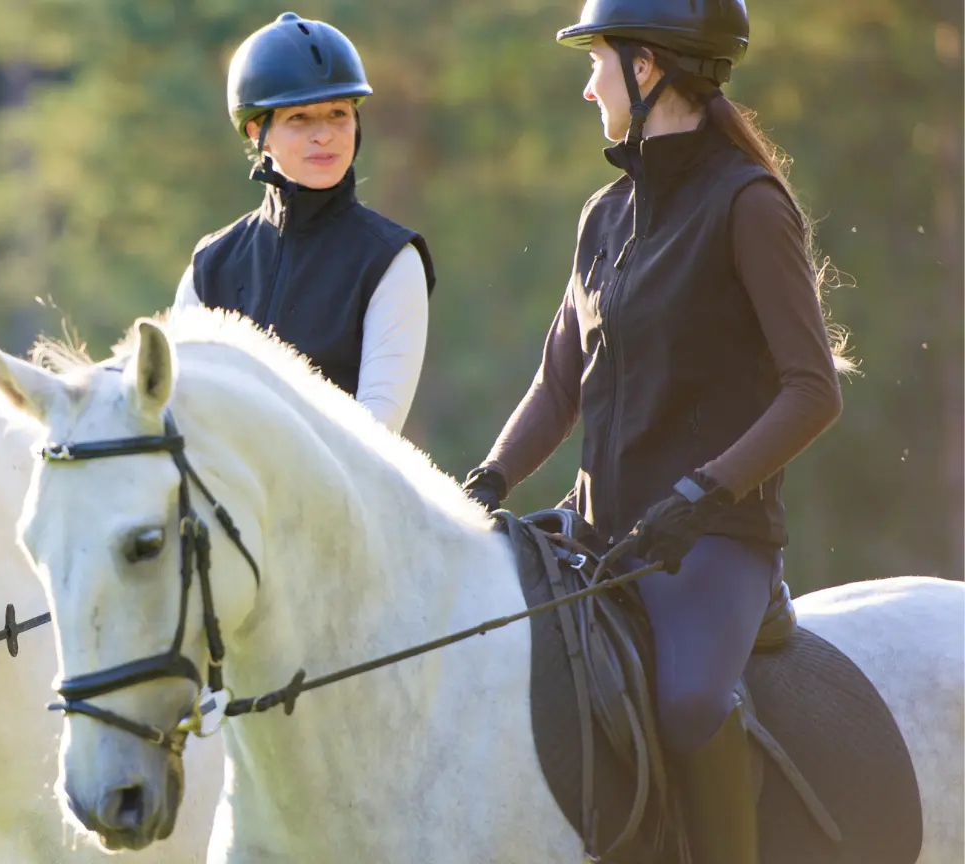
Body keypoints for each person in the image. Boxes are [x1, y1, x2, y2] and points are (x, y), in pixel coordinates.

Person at [459, 1, 849, 861]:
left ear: (647, 69)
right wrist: (488, 480)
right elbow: (558, 385)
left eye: (598, 59)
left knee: (689, 706)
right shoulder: (603, 215)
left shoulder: (749, 205)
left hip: (713, 539)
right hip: (599, 532)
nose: (587, 80)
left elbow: (813, 392)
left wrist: (704, 492)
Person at [172, 12, 436, 435]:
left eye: (337, 114)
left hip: (343, 497)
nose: (325, 135)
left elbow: (375, 435)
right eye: (300, 119)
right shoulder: (209, 267)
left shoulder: (391, 259)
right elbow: (181, 414)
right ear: (258, 131)